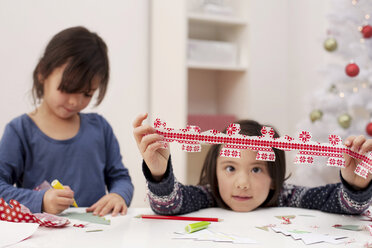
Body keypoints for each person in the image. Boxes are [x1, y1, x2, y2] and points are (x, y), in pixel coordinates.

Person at [0, 26, 133, 216]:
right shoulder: (19, 131)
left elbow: (120, 178)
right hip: (43, 239)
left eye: (87, 94)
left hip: (97, 235)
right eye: (68, 89)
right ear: (42, 73)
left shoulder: (100, 128)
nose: (75, 101)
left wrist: (118, 195)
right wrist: (41, 200)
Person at [133, 113, 371, 215]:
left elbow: (346, 206)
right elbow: (168, 205)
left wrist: (355, 186)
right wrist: (158, 172)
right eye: (230, 168)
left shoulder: (286, 196)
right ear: (214, 171)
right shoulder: (209, 195)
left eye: (256, 169)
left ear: (273, 178)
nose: (242, 183)